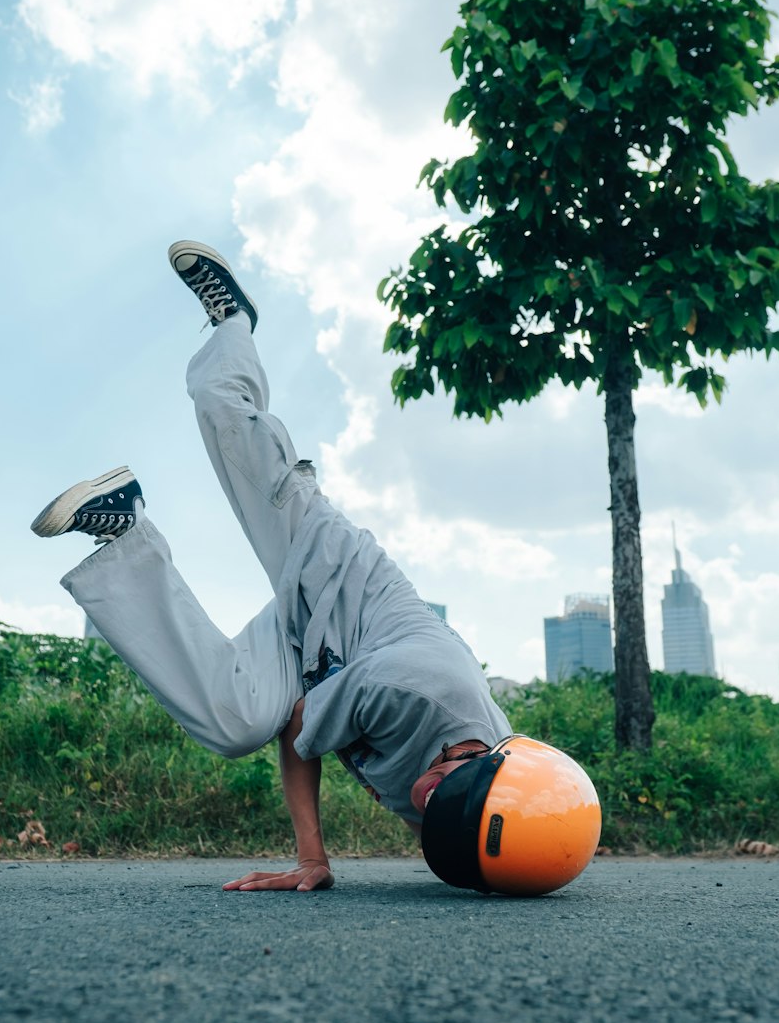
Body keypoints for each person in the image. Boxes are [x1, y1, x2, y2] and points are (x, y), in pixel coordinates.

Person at [31, 242, 600, 895]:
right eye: (443, 794)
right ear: (482, 764)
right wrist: (313, 858)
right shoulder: (421, 688)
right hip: (334, 573)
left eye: (442, 820)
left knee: (231, 721)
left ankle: (125, 526)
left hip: (317, 652)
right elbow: (302, 724)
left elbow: (472, 831)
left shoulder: (482, 798)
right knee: (230, 422)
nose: (425, 800)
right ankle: (234, 327)